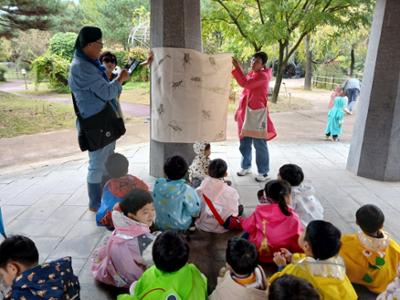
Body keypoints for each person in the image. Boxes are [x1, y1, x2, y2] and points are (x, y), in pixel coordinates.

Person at [68, 26, 153, 212]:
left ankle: (107, 195)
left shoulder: (89, 63)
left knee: (106, 160)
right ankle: (95, 204)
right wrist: (120, 79)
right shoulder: (81, 67)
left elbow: (108, 85)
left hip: (103, 121)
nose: (101, 48)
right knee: (97, 164)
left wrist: (126, 74)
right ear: (89, 44)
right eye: (99, 44)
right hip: (96, 123)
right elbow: (107, 91)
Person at [271, 220, 357, 300]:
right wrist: (292, 257)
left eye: (303, 231)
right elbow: (310, 259)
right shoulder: (336, 262)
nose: (301, 232)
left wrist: (281, 266)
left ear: (306, 246)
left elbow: (278, 286)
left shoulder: (299, 270)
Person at [92, 189, 157, 288]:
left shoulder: (121, 223)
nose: (151, 214)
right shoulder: (144, 240)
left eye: (152, 209)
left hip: (117, 272)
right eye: (145, 212)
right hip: (133, 280)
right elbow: (154, 262)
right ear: (131, 215)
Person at [118, 231, 207, 300]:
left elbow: (138, 291)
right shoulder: (193, 270)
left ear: (154, 257)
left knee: (133, 288)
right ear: (185, 256)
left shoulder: (149, 274)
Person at [232, 51, 276, 182]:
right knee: (244, 142)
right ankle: (246, 166)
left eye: (256, 61)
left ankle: (263, 172)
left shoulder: (262, 76)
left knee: (259, 143)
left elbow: (245, 84)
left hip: (256, 114)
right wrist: (238, 110)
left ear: (262, 65)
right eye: (252, 60)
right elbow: (245, 94)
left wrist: (238, 68)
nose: (252, 62)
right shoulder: (253, 74)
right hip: (245, 113)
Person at [340, 204, 400, 293]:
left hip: (362, 276)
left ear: (357, 222)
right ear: (382, 225)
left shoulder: (346, 242)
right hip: (384, 281)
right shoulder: (393, 246)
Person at [241, 180, 303, 263]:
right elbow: (298, 241)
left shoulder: (259, 210)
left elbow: (247, 226)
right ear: (287, 197)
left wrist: (242, 220)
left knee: (245, 235)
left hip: (258, 253)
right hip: (280, 256)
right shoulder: (293, 217)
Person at [0, 235, 80, 299]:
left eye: (2, 274)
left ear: (12, 269)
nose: (3, 280)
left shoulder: (17, 295)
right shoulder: (65, 275)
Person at [96, 153, 149, 229]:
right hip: (137, 218)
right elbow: (146, 190)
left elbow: (107, 204)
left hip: (117, 221)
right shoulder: (134, 179)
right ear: (127, 168)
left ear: (108, 172)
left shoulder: (109, 186)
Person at [153, 155, 201, 231]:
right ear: (185, 172)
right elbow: (195, 211)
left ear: (165, 171)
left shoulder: (158, 183)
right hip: (180, 227)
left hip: (160, 224)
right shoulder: (185, 189)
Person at [195, 159, 241, 233]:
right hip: (220, 227)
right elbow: (235, 213)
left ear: (207, 172)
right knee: (239, 208)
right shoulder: (232, 192)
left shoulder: (199, 189)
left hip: (202, 224)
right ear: (226, 174)